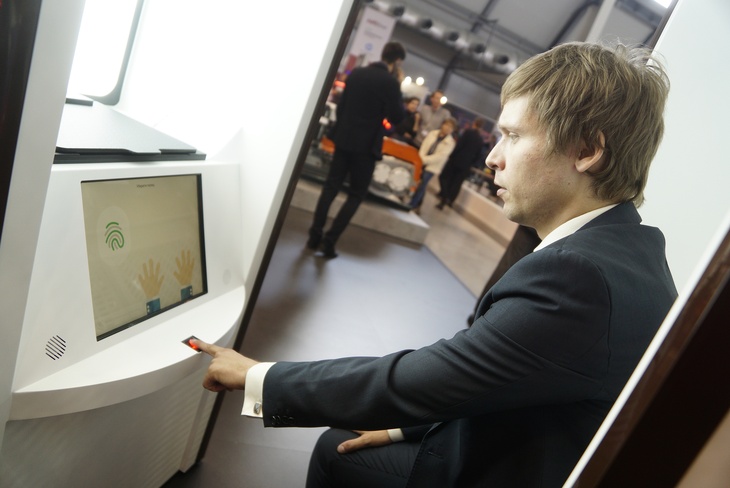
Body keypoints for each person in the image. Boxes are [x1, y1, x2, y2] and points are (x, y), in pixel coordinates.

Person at [193, 42, 677, 487]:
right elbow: (503, 378)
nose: (492, 158)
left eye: (513, 136)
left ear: (587, 151)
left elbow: (428, 378)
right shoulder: (630, 249)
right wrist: (403, 427)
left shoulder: (579, 279)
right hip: (516, 438)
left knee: (334, 452)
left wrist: (260, 377)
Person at [307, 42, 406, 258]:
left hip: (344, 140)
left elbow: (342, 107)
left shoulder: (358, 73)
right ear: (397, 60)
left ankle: (314, 236)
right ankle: (329, 242)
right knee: (356, 195)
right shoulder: (390, 82)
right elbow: (397, 117)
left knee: (330, 187)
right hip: (366, 147)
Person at [435, 117, 487, 209]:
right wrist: (471, 163)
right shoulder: (480, 140)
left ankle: (444, 195)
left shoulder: (467, 132)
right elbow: (479, 155)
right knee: (457, 183)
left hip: (456, 160)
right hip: (466, 165)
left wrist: (451, 155)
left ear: (474, 123)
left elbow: (459, 145)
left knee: (445, 177)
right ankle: (450, 200)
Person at [408, 118, 457, 213]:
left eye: (451, 127)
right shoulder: (433, 133)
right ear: (442, 125)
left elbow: (440, 157)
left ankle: (412, 204)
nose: (447, 128)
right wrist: (421, 158)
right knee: (416, 181)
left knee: (423, 184)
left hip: (432, 167)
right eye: (447, 125)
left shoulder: (450, 143)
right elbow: (424, 146)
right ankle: (418, 205)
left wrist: (424, 160)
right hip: (421, 161)